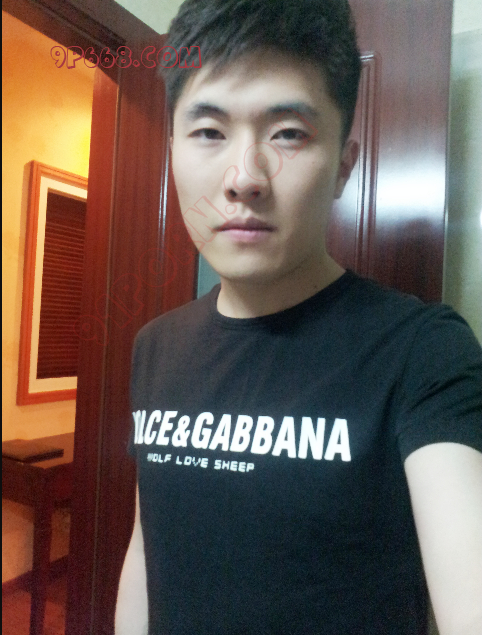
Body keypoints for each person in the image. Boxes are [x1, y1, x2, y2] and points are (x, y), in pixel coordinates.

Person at [115, 0, 482, 633]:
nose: (244, 178)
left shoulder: (423, 355)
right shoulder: (156, 346)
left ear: (344, 167)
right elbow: (147, 551)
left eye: (287, 132)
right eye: (209, 131)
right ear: (172, 149)